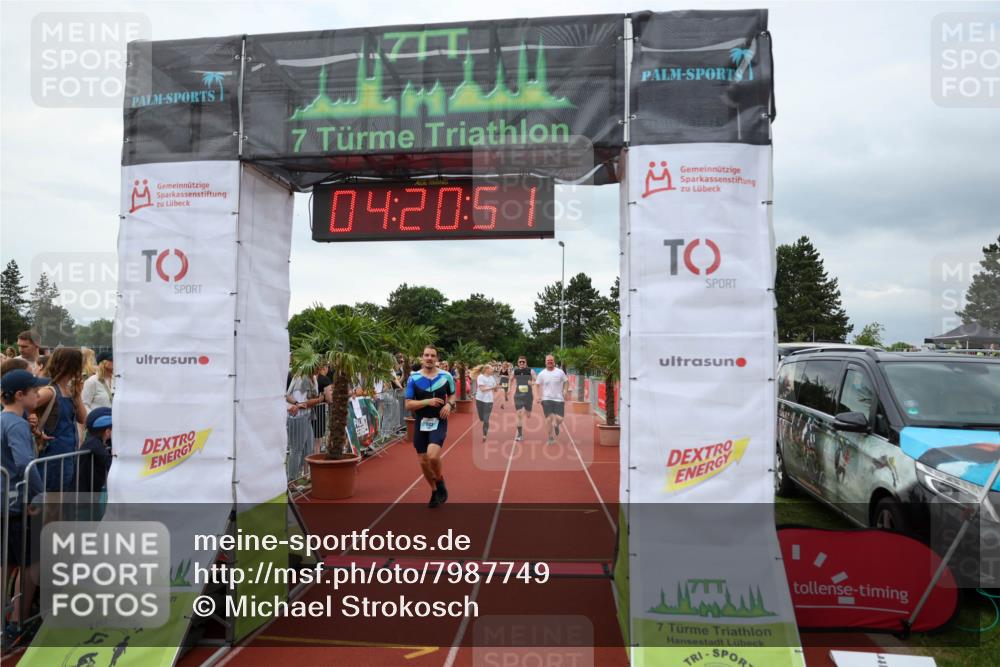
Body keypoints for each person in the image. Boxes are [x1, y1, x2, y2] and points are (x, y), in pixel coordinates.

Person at [2, 369, 48, 637]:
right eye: (34, 391)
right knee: (31, 562)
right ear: (20, 395)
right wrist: (39, 495)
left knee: (5, 564)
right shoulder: (16, 424)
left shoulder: (3, 419)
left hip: (3, 502)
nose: (37, 394)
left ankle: (4, 625)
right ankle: (19, 622)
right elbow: (24, 463)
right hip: (17, 503)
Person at [404, 345, 454, 508]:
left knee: (432, 456)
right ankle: (434, 491)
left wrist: (449, 405)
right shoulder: (413, 378)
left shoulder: (446, 376)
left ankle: (439, 481)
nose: (429, 358)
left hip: (439, 420)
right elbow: (408, 404)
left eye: (433, 355)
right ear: (422, 358)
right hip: (421, 422)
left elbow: (452, 394)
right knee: (423, 461)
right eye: (426, 355)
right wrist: (427, 402)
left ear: (437, 358)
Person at [34, 348, 87, 490]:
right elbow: (22, 407)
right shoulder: (49, 391)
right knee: (53, 501)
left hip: (67, 454)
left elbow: (83, 420)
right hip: (52, 455)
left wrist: (78, 395)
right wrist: (36, 431)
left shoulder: (69, 391)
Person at [286, 370, 324, 481]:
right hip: (297, 418)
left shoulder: (313, 378)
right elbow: (303, 404)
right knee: (296, 451)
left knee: (309, 448)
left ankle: (303, 474)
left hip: (307, 417)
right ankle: (292, 480)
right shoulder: (301, 379)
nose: (319, 369)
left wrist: (316, 399)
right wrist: (319, 399)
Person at [77, 406, 113, 519]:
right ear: (107, 432)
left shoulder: (93, 441)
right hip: (83, 499)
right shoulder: (95, 444)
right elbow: (109, 462)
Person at [535, 354, 569, 445]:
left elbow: (566, 381)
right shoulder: (542, 373)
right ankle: (550, 437)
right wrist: (537, 396)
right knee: (549, 419)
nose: (550, 362)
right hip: (546, 399)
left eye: (551, 360)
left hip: (559, 399)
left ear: (554, 362)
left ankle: (557, 424)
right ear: (545, 362)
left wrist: (565, 390)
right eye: (548, 361)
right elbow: (537, 385)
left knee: (560, 418)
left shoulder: (560, 372)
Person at [511, 355, 536, 441]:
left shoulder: (530, 371)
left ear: (526, 363)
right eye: (520, 362)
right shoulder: (515, 371)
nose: (522, 363)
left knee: (528, 415)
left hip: (528, 396)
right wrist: (509, 389)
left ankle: (528, 410)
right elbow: (511, 379)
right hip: (518, 395)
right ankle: (520, 435)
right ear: (518, 363)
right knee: (519, 414)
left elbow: (536, 380)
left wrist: (531, 382)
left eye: (523, 362)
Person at [474, 363, 500, 439]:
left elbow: (495, 389)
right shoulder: (480, 377)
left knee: (486, 418)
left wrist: (497, 387)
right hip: (480, 399)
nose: (493, 370)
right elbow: (482, 389)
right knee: (481, 418)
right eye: (491, 369)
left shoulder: (492, 378)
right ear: (486, 370)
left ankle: (484, 435)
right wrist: (492, 387)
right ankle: (482, 420)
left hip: (489, 400)